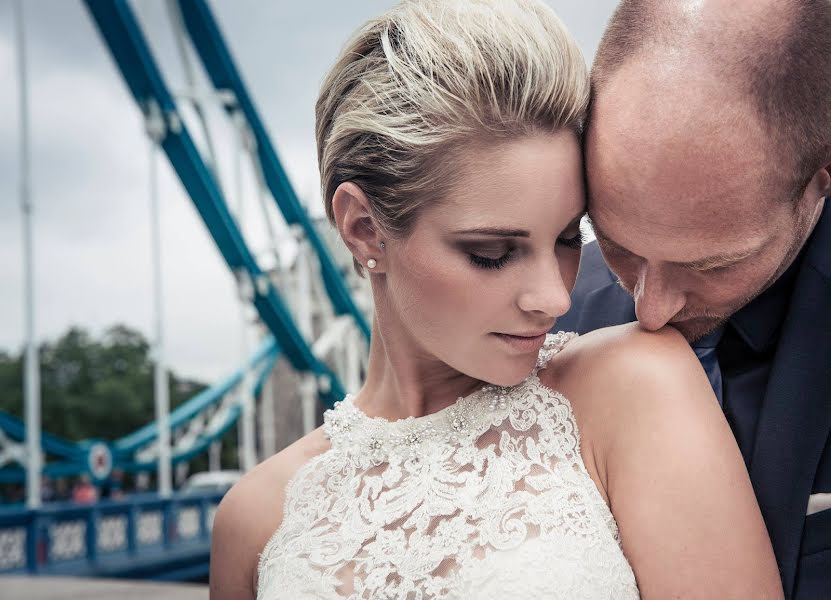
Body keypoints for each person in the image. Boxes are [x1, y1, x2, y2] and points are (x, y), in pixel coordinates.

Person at [210, 1, 782, 598]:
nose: (555, 296)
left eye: (567, 238)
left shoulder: (637, 386)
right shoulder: (254, 520)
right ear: (362, 228)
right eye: (491, 253)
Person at [556, 1, 831, 598]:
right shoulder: (546, 323)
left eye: (711, 264)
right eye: (615, 242)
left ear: (820, 178)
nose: (649, 310)